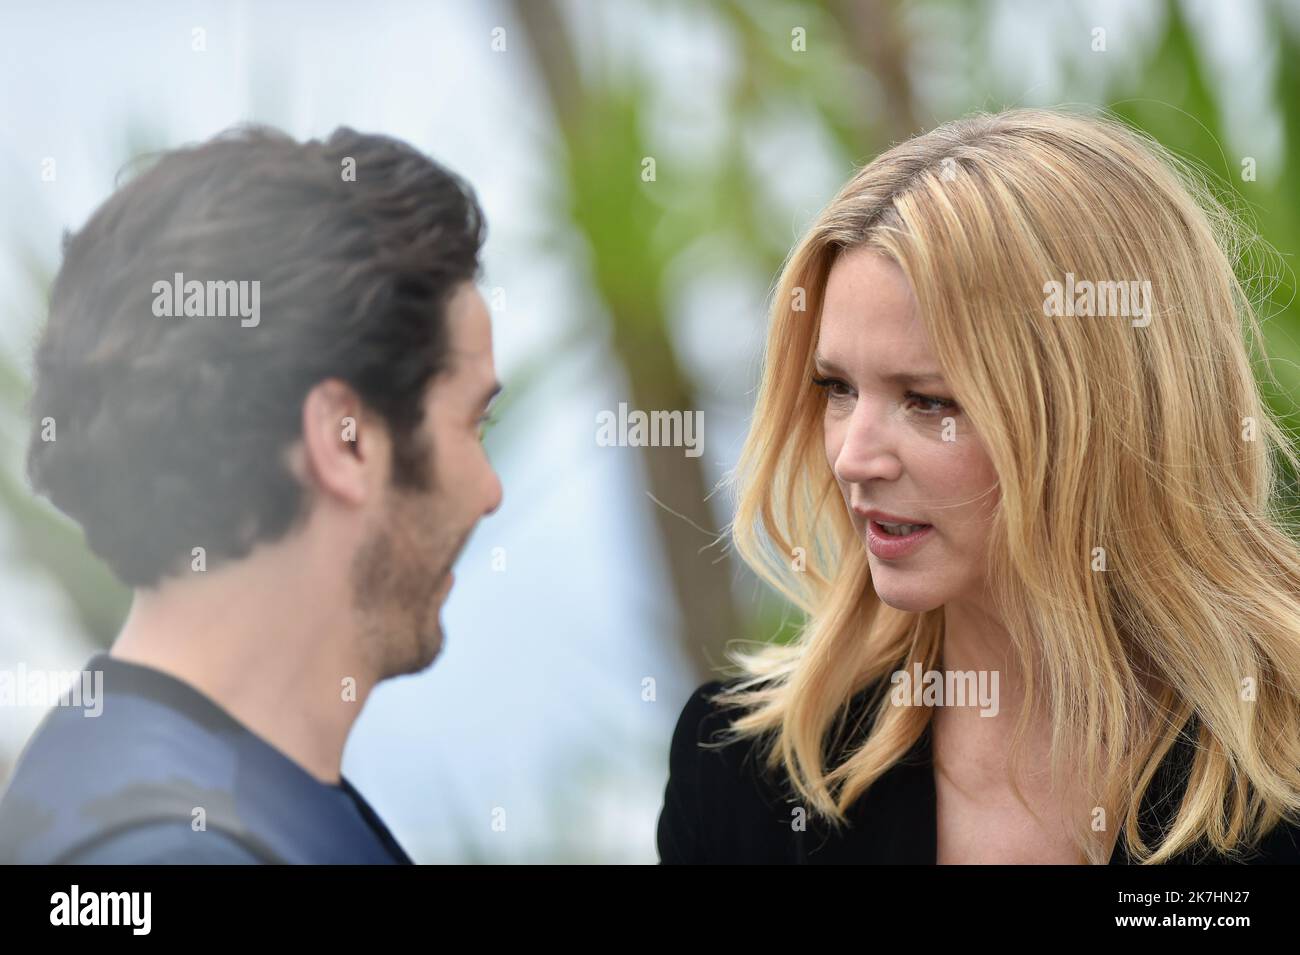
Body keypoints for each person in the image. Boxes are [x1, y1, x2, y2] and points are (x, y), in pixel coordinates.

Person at [657, 107, 1300, 865]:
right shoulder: (747, 776)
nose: (854, 456)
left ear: (1101, 416)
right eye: (836, 387)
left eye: (928, 400)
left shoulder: (1275, 782)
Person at [0, 126, 503, 863]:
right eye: (473, 423)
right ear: (345, 440)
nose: (489, 491)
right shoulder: (175, 851)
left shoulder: (180, 798)